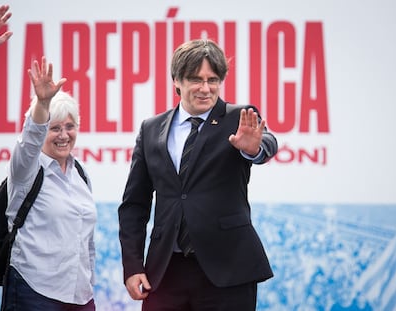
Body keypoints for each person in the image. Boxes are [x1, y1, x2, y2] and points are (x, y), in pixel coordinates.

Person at [118, 38, 278, 311]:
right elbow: (135, 205)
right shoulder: (151, 129)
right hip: (166, 271)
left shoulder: (238, 117)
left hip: (227, 271)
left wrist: (254, 149)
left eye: (213, 80)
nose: (206, 88)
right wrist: (133, 266)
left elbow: (267, 142)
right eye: (196, 79)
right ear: (176, 82)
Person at [3, 56, 97, 310]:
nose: (64, 135)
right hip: (34, 291)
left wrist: (89, 287)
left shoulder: (80, 174)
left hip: (80, 296)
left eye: (70, 126)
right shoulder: (27, 169)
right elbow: (31, 138)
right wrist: (43, 103)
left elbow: (85, 240)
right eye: (54, 128)